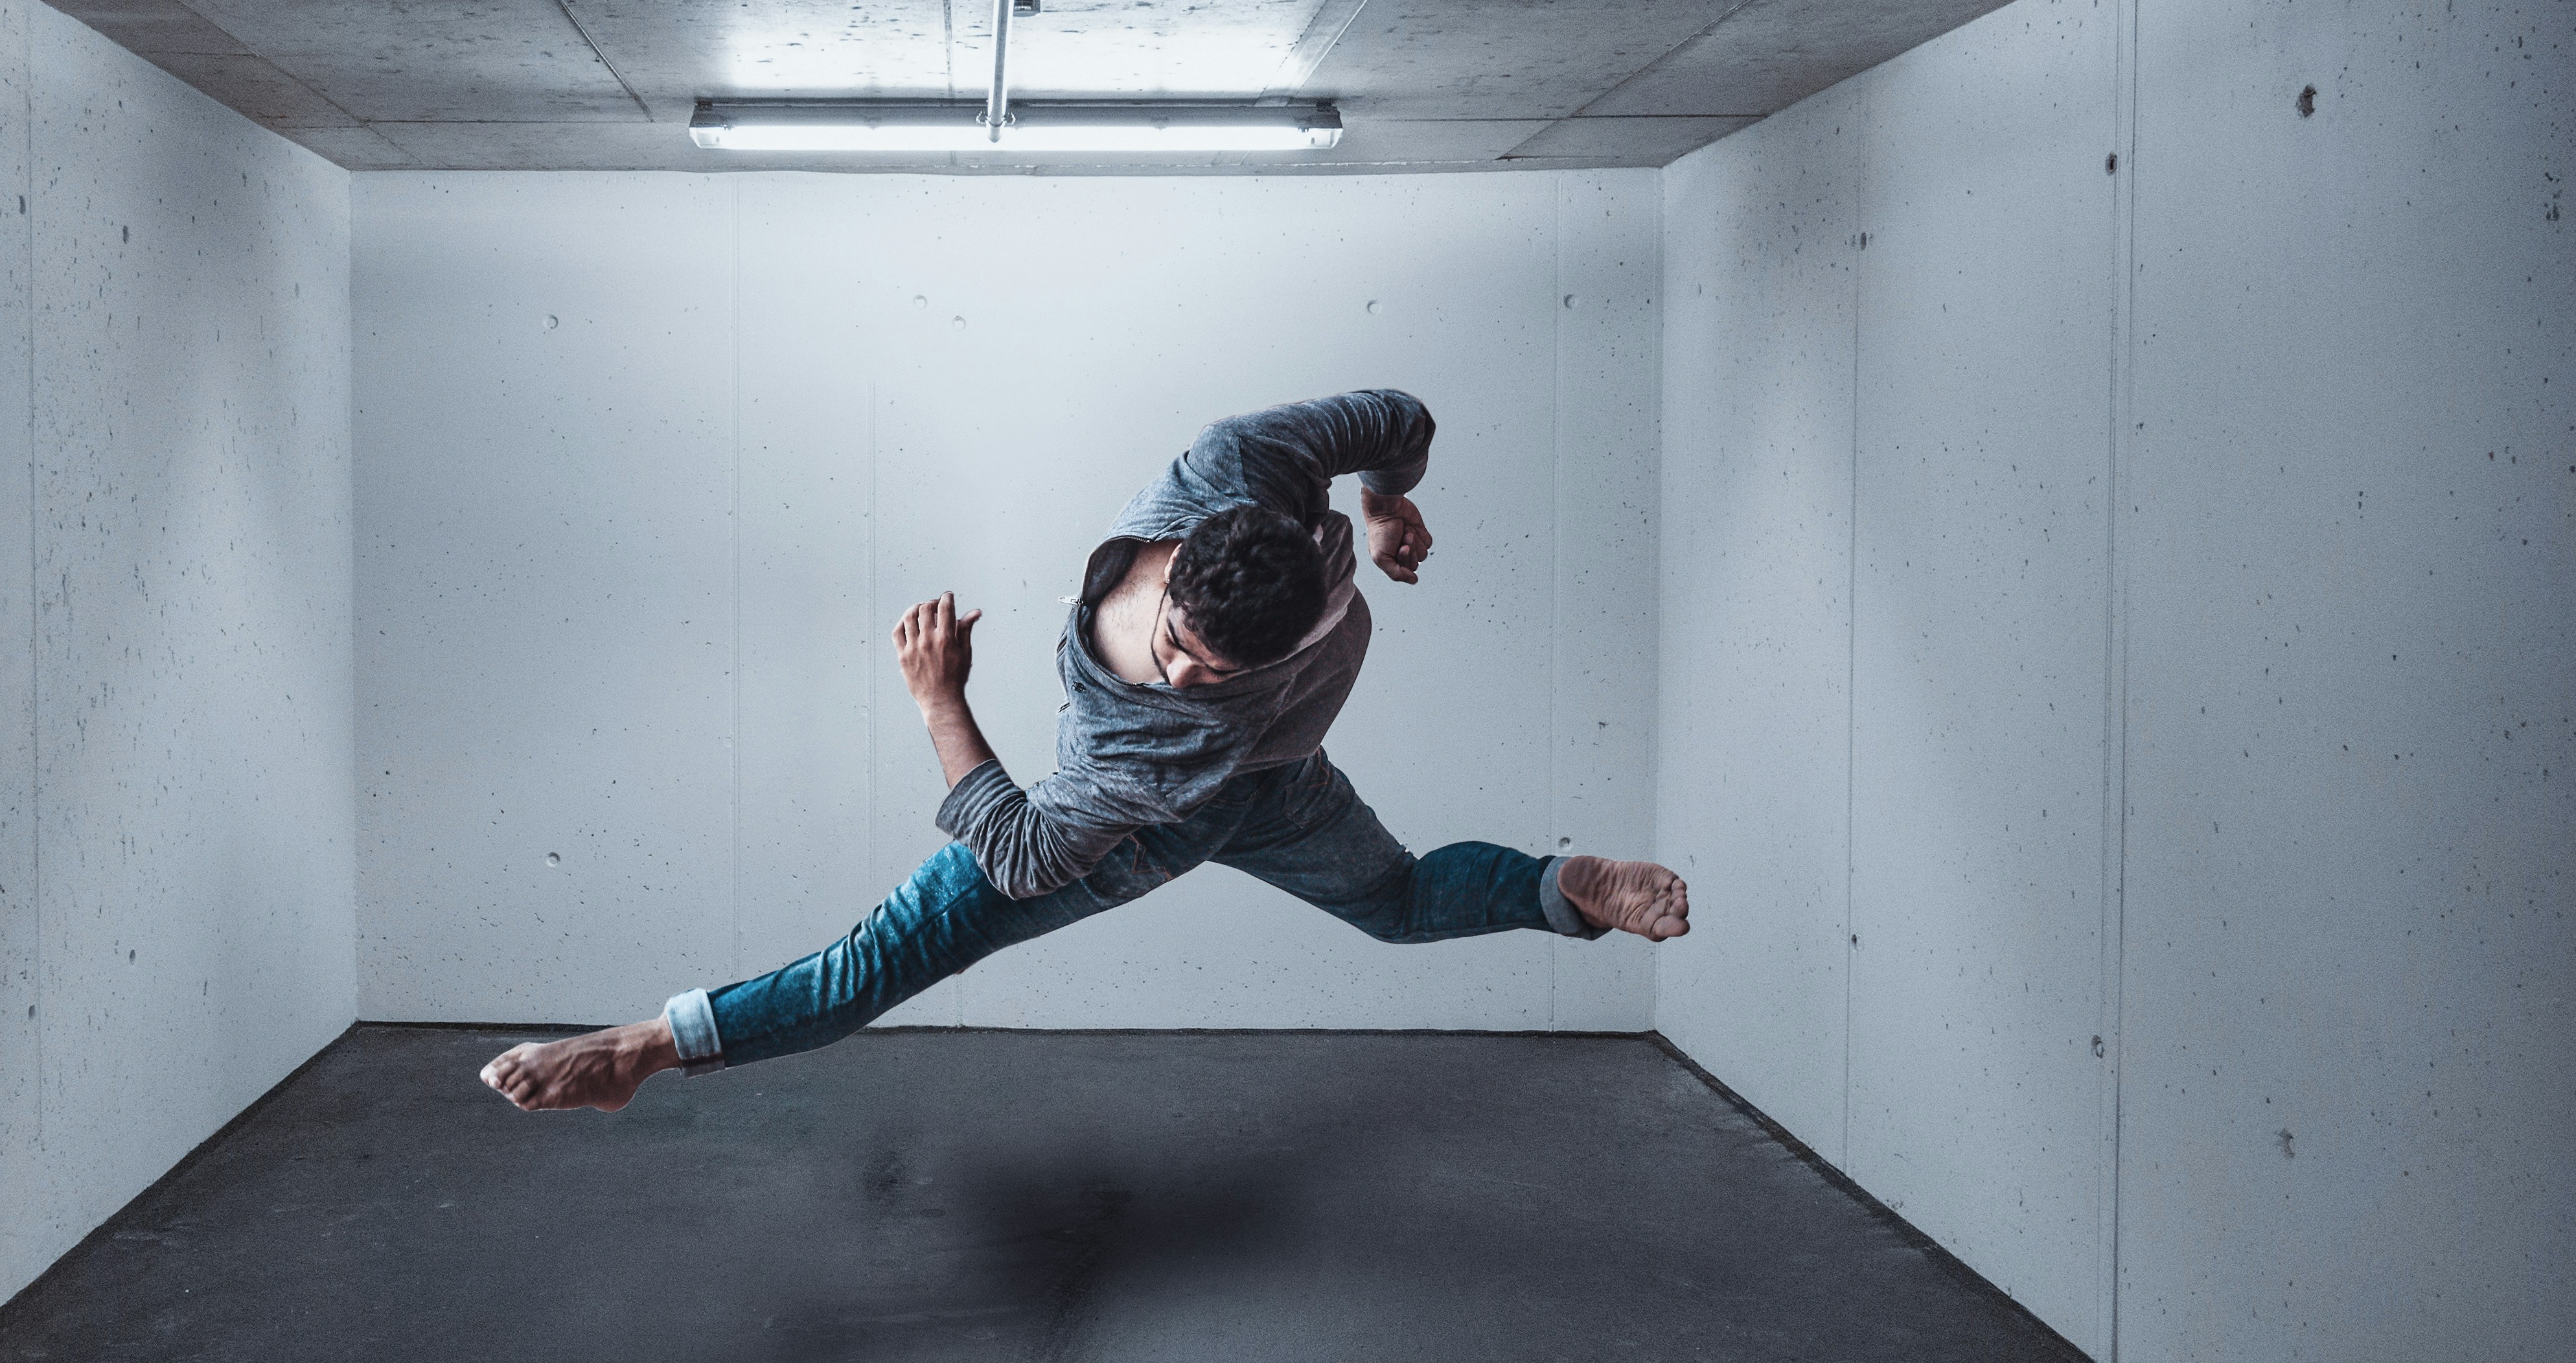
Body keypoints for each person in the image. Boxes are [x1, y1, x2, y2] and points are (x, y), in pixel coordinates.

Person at [482, 389, 1689, 1113]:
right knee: (1397, 899)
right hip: (1285, 775)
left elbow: (1015, 856)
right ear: (1197, 551)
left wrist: (936, 697)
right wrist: (1383, 498)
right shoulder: (1241, 464)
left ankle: (641, 1049)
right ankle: (1558, 891)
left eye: (1215, 674)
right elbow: (1399, 418)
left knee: (885, 956)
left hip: (1172, 815)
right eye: (1182, 643)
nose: (1182, 673)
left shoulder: (1155, 735)